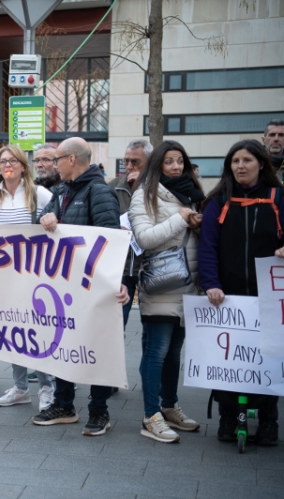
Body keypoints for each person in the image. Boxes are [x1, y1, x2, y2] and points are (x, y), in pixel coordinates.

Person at [32, 137, 130, 436]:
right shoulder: (61, 191)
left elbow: (111, 240)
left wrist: (117, 282)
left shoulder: (99, 192)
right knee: (63, 344)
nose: (53, 165)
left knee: (96, 346)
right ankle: (64, 404)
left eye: (56, 159)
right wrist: (44, 218)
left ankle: (99, 410)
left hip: (92, 286)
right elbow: (40, 220)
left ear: (71, 160)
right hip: (64, 285)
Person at [198, 140, 283, 446]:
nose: (240, 166)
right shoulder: (218, 202)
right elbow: (207, 248)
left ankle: (269, 421)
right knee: (228, 360)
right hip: (227, 295)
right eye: (235, 161)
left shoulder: (278, 197)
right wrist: (211, 284)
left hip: (269, 297)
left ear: (261, 163)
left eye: (247, 160)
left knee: (268, 358)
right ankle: (227, 418)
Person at [129, 140, 204, 443]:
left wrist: (197, 223)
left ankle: (170, 406)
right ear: (158, 164)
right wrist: (180, 218)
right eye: (169, 161)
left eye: (180, 161)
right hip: (161, 287)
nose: (175, 167)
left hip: (189, 286)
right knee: (156, 353)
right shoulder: (144, 196)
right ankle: (151, 415)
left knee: (174, 354)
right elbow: (145, 238)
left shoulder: (193, 194)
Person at [0, 145, 56, 410]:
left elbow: (58, 221)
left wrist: (50, 220)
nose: (7, 165)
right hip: (5, 277)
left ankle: (47, 386)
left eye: (12, 161)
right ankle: (21, 387)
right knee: (14, 331)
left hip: (35, 275)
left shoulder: (39, 193)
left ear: (23, 166)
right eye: (2, 162)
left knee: (38, 332)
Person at [109, 139, 153, 328]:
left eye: (135, 162)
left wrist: (141, 188)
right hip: (121, 267)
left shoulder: (157, 189)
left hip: (149, 266)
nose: (129, 166)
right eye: (126, 161)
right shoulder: (113, 187)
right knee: (117, 325)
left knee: (151, 330)